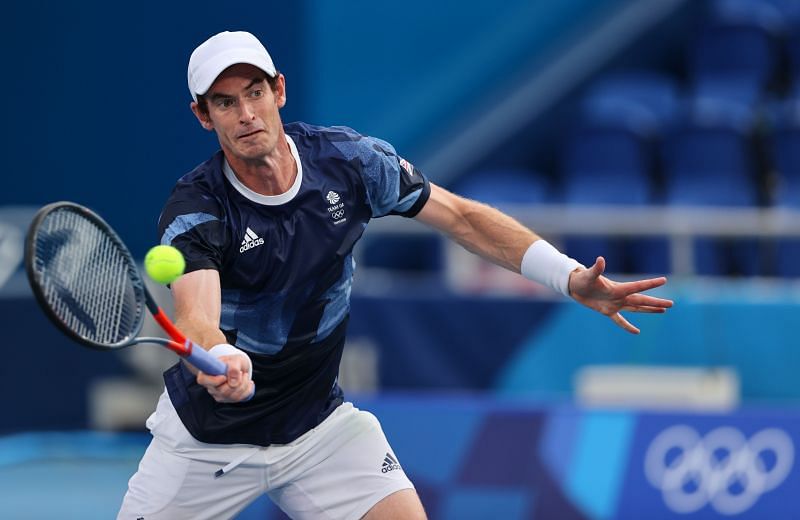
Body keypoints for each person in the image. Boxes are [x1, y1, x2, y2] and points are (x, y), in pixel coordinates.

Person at [118, 31, 673, 520]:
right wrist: (221, 358)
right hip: (209, 442)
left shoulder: (349, 162)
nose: (246, 115)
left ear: (279, 91)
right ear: (203, 115)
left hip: (319, 429)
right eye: (225, 102)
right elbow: (196, 315)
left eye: (255, 94)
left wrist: (569, 277)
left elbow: (461, 217)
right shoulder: (197, 207)